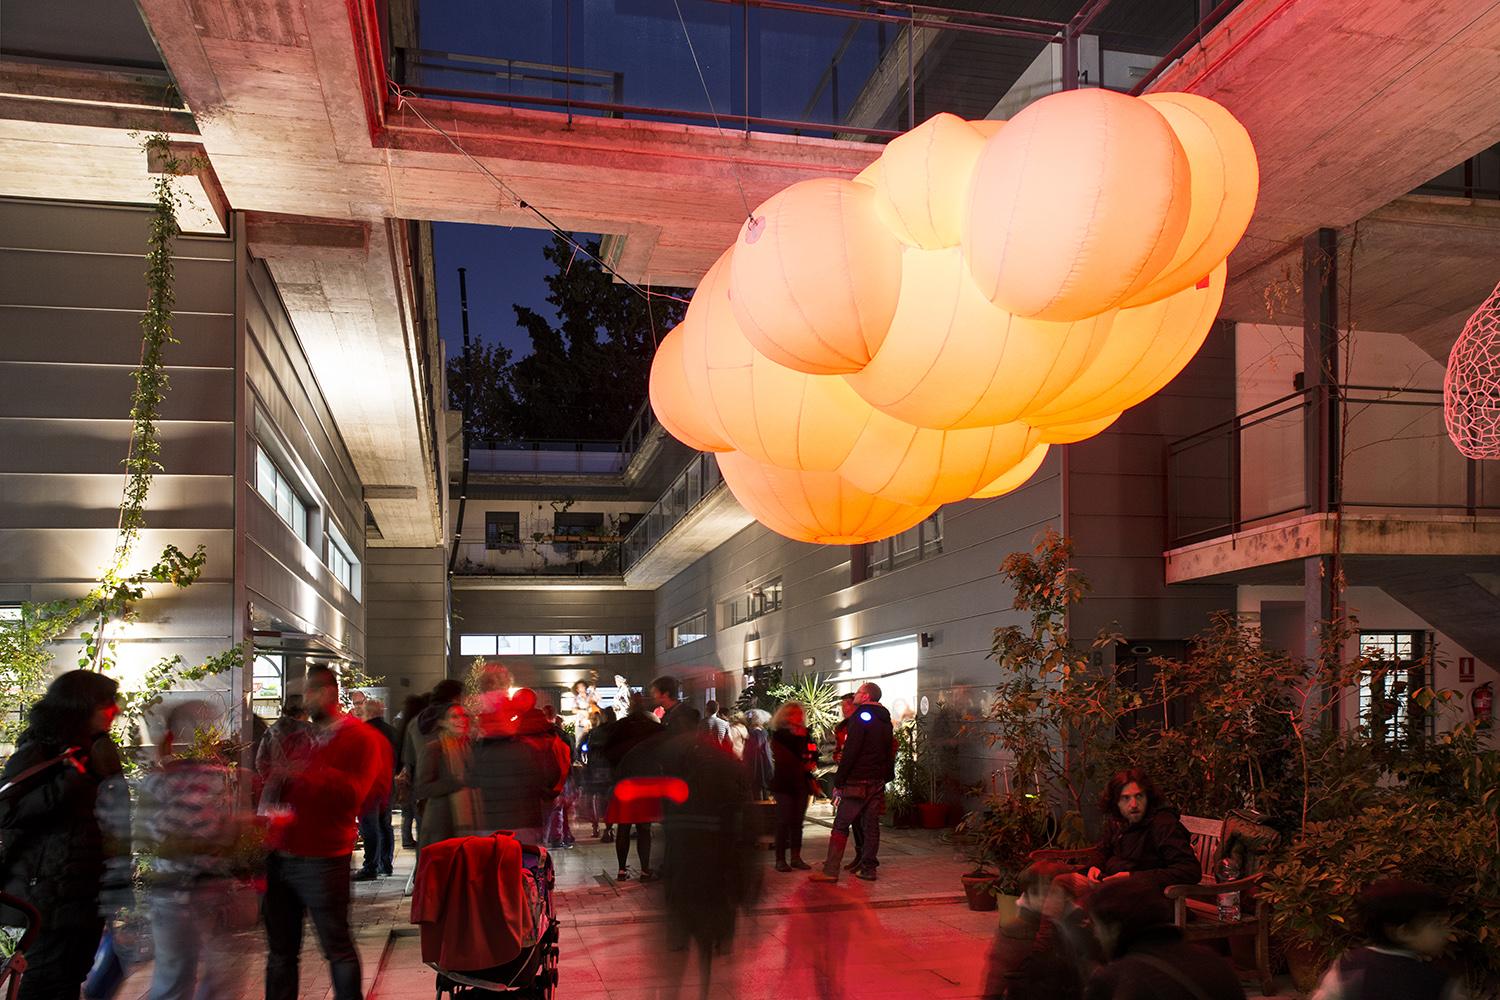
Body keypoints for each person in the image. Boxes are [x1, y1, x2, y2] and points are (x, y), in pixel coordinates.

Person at [262, 664, 391, 1000]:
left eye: (309, 692)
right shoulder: (301, 737)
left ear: (326, 693)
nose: (304, 700)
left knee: (336, 947)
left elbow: (358, 793)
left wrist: (309, 773)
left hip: (324, 856)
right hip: (282, 853)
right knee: (280, 952)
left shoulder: (361, 738)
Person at [0, 670, 128, 1000]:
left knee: (70, 977)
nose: (115, 710)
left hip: (83, 892)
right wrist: (72, 779)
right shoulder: (42, 750)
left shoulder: (94, 750)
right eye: (106, 703)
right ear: (80, 706)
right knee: (46, 981)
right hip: (47, 895)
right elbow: (6, 810)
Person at [139, 699, 251, 1000]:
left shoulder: (154, 782)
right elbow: (229, 832)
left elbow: (146, 836)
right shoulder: (219, 779)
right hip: (210, 887)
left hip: (169, 889)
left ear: (169, 738)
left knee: (172, 976)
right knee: (219, 975)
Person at [1084, 879, 1245, 1000]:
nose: (1095, 934)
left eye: (1096, 925)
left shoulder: (1115, 981)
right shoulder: (1214, 962)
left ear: (1114, 928)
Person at [1055, 768, 1200, 900]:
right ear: (1116, 802)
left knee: (1090, 902)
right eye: (1126, 798)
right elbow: (1103, 851)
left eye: (1139, 796)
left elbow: (1189, 870)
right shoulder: (1119, 821)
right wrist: (1095, 867)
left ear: (1148, 797)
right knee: (1060, 881)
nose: (1134, 804)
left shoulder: (1163, 824)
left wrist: (1132, 877)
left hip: (1149, 896)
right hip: (1111, 885)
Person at [1311, 879, 1465, 1000]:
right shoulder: (1435, 981)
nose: (1445, 931)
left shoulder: (1349, 964)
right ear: (1404, 932)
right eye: (1436, 924)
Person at [811, 682, 893, 883]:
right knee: (871, 825)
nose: (855, 694)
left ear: (866, 696)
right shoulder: (885, 719)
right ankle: (868, 869)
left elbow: (851, 750)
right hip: (876, 780)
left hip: (857, 780)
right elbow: (888, 749)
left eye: (858, 692)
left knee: (841, 824)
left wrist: (840, 780)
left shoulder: (860, 717)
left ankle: (830, 871)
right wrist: (886, 775)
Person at [981, 861, 1091, 1000]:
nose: (1043, 898)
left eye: (1050, 892)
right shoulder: (1016, 930)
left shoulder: (1074, 922)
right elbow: (997, 977)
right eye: (1035, 892)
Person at [467, 694, 562, 846]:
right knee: (522, 858)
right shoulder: (527, 747)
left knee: (493, 859)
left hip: (488, 823)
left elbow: (470, 782)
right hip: (523, 820)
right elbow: (551, 775)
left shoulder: (474, 751)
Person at [601, 694, 665, 881]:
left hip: (625, 782)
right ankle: (644, 870)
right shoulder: (654, 728)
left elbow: (608, 753)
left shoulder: (619, 727)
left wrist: (616, 772)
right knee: (644, 828)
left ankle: (622, 870)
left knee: (623, 826)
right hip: (647, 782)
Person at [414, 703, 477, 851]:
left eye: (464, 716)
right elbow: (422, 788)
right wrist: (458, 781)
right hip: (441, 824)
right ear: (443, 722)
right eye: (454, 716)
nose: (461, 720)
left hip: (468, 822)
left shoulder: (470, 747)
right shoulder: (434, 749)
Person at [768, 702, 818, 872]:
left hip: (802, 783)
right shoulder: (780, 735)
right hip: (785, 783)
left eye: (800, 713)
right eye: (794, 713)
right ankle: (780, 859)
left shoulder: (807, 734)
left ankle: (796, 857)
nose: (799, 716)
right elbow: (784, 758)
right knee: (783, 821)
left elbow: (813, 751)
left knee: (798, 822)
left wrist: (812, 761)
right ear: (786, 716)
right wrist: (803, 763)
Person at [354, 700, 398, 880]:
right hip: (386, 785)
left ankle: (371, 866)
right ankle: (386, 864)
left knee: (369, 827)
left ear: (368, 713)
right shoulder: (392, 732)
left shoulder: (363, 733)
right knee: (385, 825)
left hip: (369, 787)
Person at [255, 695, 312, 809]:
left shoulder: (271, 731)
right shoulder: (311, 732)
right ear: (304, 712)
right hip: (302, 790)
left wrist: (272, 778)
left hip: (274, 792)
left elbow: (260, 761)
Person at [831, 693, 867, 872]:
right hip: (847, 778)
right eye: (842, 706)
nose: (843, 710)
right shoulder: (841, 728)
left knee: (860, 820)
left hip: (860, 778)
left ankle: (864, 858)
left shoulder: (863, 723)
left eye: (845, 706)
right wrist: (837, 756)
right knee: (852, 820)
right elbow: (838, 750)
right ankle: (860, 855)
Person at [392, 693, 429, 849]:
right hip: (413, 777)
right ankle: (415, 842)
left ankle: (407, 839)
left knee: (407, 812)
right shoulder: (416, 727)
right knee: (416, 813)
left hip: (404, 777)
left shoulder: (402, 726)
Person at [540, 704, 576, 849]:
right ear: (555, 717)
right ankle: (558, 838)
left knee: (546, 810)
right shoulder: (563, 735)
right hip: (561, 776)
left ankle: (545, 839)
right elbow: (572, 756)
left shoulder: (539, 734)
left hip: (543, 777)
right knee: (559, 808)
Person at [580, 707, 617, 840]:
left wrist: (586, 763)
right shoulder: (616, 731)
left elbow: (583, 749)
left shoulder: (594, 732)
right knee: (609, 799)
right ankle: (609, 828)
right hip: (612, 769)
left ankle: (595, 827)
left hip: (595, 768)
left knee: (596, 798)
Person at [743, 709, 773, 800]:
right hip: (764, 759)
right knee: (763, 783)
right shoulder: (763, 732)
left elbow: (754, 747)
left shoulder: (754, 733)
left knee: (757, 783)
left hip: (756, 760)